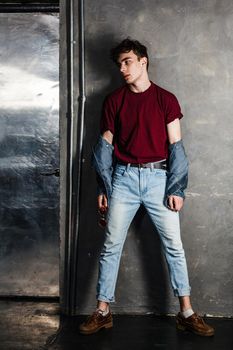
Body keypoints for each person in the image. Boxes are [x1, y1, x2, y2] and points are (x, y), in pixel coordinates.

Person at [79, 38, 214, 337]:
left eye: (127, 62)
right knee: (111, 246)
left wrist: (176, 188)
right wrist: (104, 187)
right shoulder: (114, 100)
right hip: (123, 180)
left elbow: (177, 147)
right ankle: (103, 311)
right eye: (119, 64)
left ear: (143, 62)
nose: (122, 69)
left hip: (158, 180)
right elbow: (104, 148)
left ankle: (186, 312)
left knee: (174, 247)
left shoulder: (166, 100)